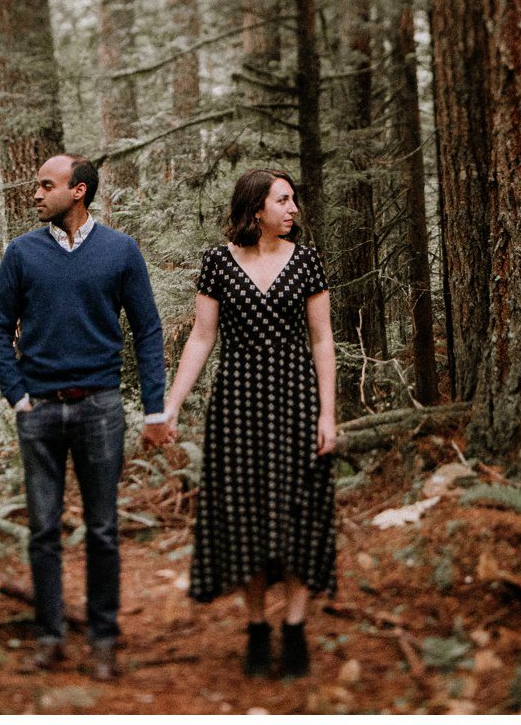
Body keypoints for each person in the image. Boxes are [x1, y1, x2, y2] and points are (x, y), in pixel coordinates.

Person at [0, 154, 172, 681]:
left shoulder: (120, 250)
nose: (36, 194)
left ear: (79, 191)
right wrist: (17, 396)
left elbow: (147, 329)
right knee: (43, 529)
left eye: (47, 185)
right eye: (37, 185)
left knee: (103, 528)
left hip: (100, 408)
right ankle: (49, 638)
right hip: (40, 410)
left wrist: (155, 408)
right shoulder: (22, 253)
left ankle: (103, 639)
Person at [160, 167, 338, 679]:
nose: (293, 208)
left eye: (293, 199)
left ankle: (296, 629)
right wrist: (172, 404)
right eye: (283, 200)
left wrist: (328, 413)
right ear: (256, 208)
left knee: (301, 514)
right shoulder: (218, 263)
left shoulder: (306, 261)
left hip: (297, 403)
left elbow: (322, 340)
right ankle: (258, 627)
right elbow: (201, 338)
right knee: (245, 518)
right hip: (237, 408)